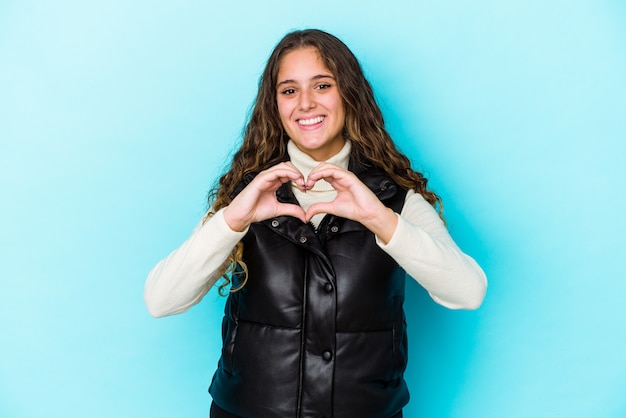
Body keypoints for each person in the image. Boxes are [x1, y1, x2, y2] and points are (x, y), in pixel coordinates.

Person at [144, 29, 487, 418]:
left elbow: (468, 292)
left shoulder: (394, 199)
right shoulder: (247, 195)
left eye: (322, 85)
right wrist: (233, 220)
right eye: (289, 90)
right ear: (274, 105)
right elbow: (161, 300)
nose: (305, 103)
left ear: (348, 95)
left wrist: (378, 218)